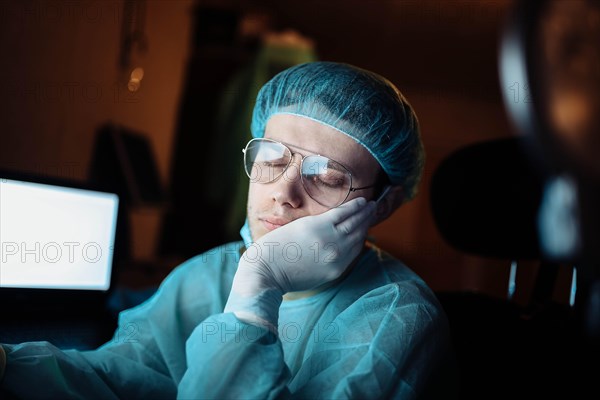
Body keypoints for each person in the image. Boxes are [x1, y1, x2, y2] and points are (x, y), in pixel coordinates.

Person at [0, 61, 453, 399]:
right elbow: (115, 379)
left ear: (381, 205)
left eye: (328, 177)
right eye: (271, 158)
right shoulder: (208, 275)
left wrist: (261, 285)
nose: (282, 193)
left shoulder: (395, 314)